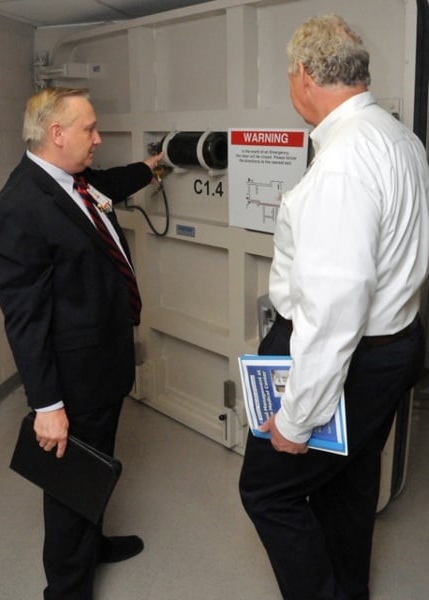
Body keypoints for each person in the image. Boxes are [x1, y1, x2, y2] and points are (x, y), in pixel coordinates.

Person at [239, 14, 429, 600]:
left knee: (266, 492)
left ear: (302, 76)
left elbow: (335, 311)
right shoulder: (399, 137)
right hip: (397, 344)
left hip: (353, 356)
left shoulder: (342, 164)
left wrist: (298, 418)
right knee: (348, 480)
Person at [0, 87, 164, 600]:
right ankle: (66, 588)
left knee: (94, 466)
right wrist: (47, 405)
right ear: (56, 134)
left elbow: (112, 182)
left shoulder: (75, 183)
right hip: (72, 381)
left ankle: (93, 545)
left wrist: (154, 165)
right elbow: (25, 320)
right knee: (68, 487)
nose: (98, 138)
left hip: (102, 367)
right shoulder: (18, 208)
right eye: (89, 129)